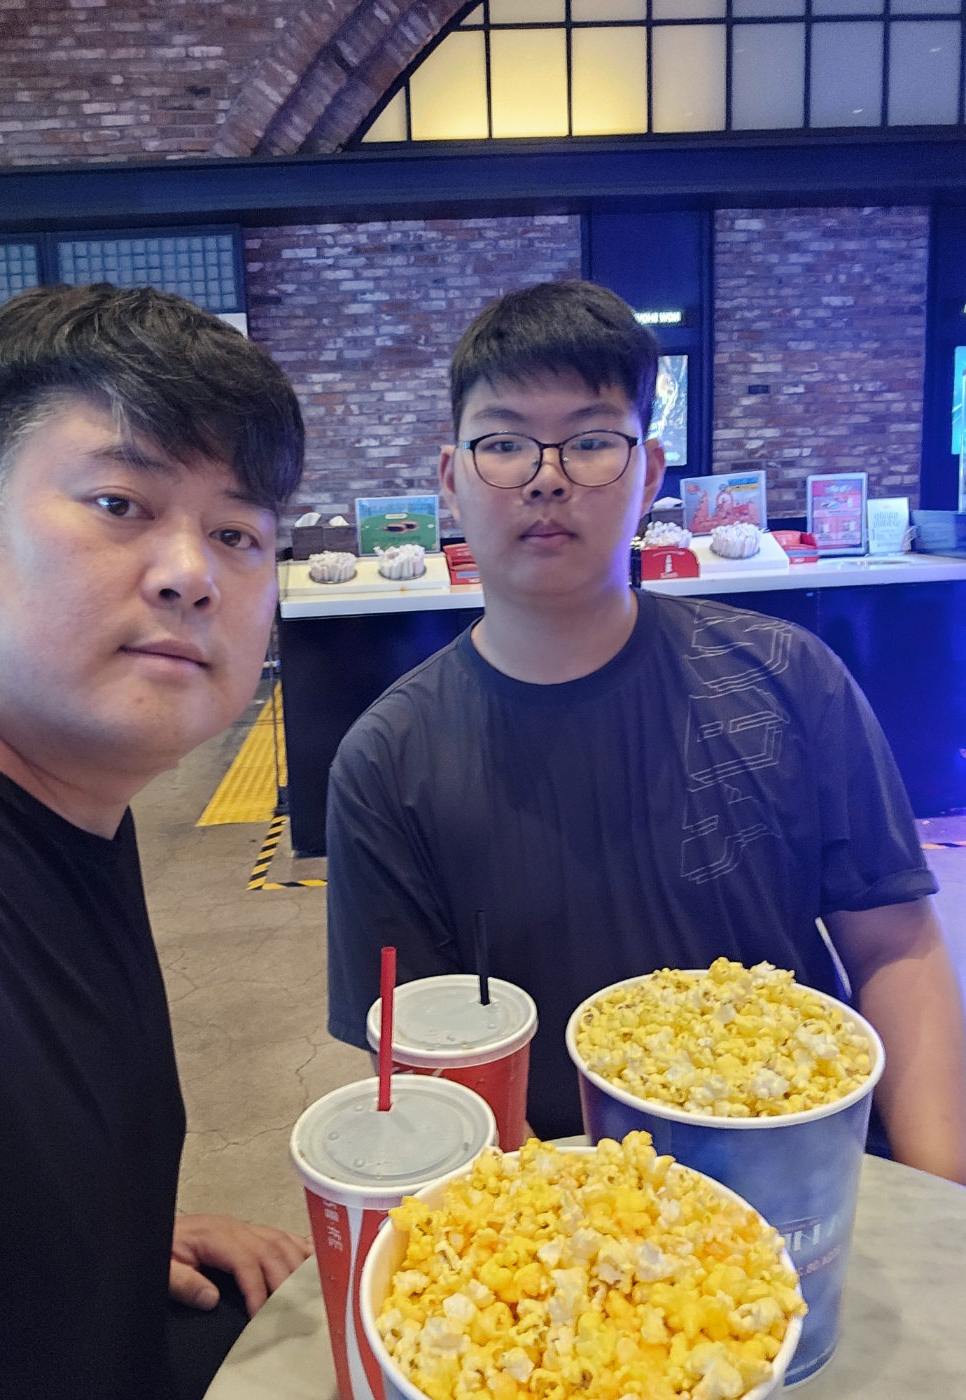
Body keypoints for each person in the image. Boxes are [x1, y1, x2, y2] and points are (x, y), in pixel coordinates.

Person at [326, 279, 966, 1185]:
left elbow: (896, 945)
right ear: (450, 480)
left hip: (804, 1172)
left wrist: (940, 1208)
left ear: (650, 474)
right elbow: (427, 1064)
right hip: (562, 1213)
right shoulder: (388, 762)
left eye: (591, 442)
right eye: (504, 443)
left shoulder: (789, 677)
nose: (547, 476)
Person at [0, 283, 312, 1399]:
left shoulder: (70, 806)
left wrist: (108, 1240)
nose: (192, 572)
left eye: (236, 533)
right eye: (119, 503)